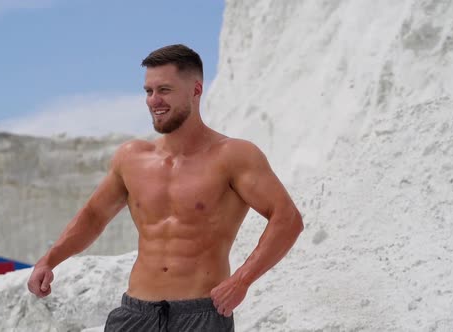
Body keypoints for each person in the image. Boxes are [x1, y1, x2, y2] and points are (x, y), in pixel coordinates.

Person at [27, 44, 303, 331]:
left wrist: (242, 280)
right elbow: (94, 216)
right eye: (148, 91)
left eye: (165, 90)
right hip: (136, 313)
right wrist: (50, 259)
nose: (154, 100)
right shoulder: (132, 157)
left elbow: (287, 219)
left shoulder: (233, 156)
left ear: (196, 90)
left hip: (201, 315)